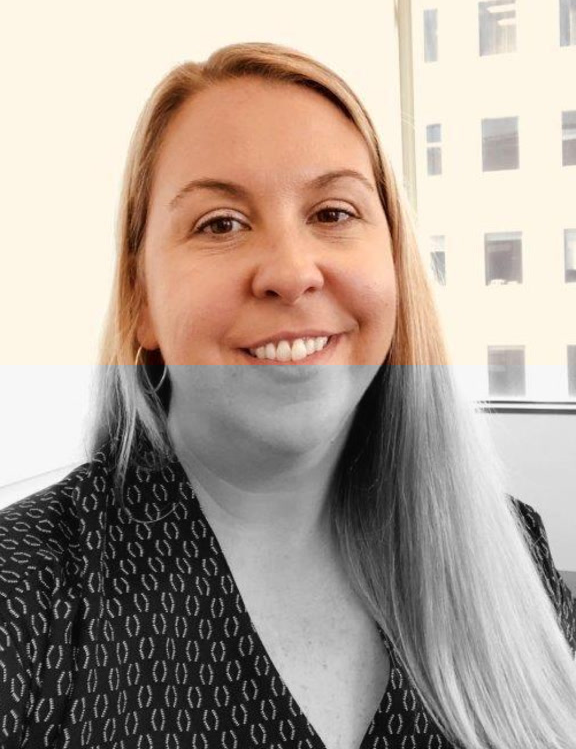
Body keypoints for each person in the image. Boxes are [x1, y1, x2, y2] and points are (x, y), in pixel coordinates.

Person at [1, 42, 575, 749]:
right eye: (220, 224)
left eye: (334, 212)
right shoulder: (24, 594)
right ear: (138, 303)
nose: (292, 271)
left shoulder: (514, 555)